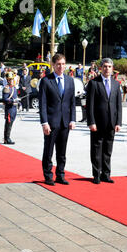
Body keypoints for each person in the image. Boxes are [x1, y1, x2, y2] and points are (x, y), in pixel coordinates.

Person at [39, 53, 76, 186]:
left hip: (65, 122)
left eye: (63, 64)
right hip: (51, 122)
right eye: (58, 64)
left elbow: (72, 102)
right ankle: (48, 175)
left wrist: (73, 119)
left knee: (62, 151)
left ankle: (60, 175)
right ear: (53, 65)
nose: (61, 67)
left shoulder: (70, 80)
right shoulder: (46, 81)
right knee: (48, 151)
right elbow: (42, 103)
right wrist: (44, 122)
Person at [86, 58, 122, 184]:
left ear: (112, 68)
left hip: (111, 123)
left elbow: (118, 105)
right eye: (105, 66)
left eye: (109, 66)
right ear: (101, 68)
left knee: (108, 150)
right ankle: (96, 174)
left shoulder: (116, 84)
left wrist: (118, 122)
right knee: (96, 149)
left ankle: (106, 174)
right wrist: (91, 122)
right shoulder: (94, 83)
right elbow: (89, 105)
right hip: (97, 123)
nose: (107, 69)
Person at [2, 72, 18, 145]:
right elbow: (5, 99)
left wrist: (19, 103)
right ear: (8, 80)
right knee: (8, 124)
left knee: (11, 123)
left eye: (12, 79)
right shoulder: (6, 88)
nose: (12, 81)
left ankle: (7, 137)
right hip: (9, 109)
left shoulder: (14, 88)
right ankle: (6, 138)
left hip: (14, 108)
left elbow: (16, 98)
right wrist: (12, 101)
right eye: (11, 80)